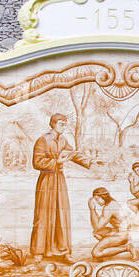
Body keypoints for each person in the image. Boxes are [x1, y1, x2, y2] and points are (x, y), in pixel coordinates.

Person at [30, 112, 91, 261]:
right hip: (46, 180)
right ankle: (38, 252)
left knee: (62, 213)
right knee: (43, 214)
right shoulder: (42, 140)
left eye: (65, 123)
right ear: (53, 124)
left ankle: (64, 251)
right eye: (61, 123)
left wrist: (90, 161)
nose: (64, 126)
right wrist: (56, 162)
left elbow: (73, 154)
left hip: (59, 180)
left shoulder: (63, 140)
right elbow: (37, 162)